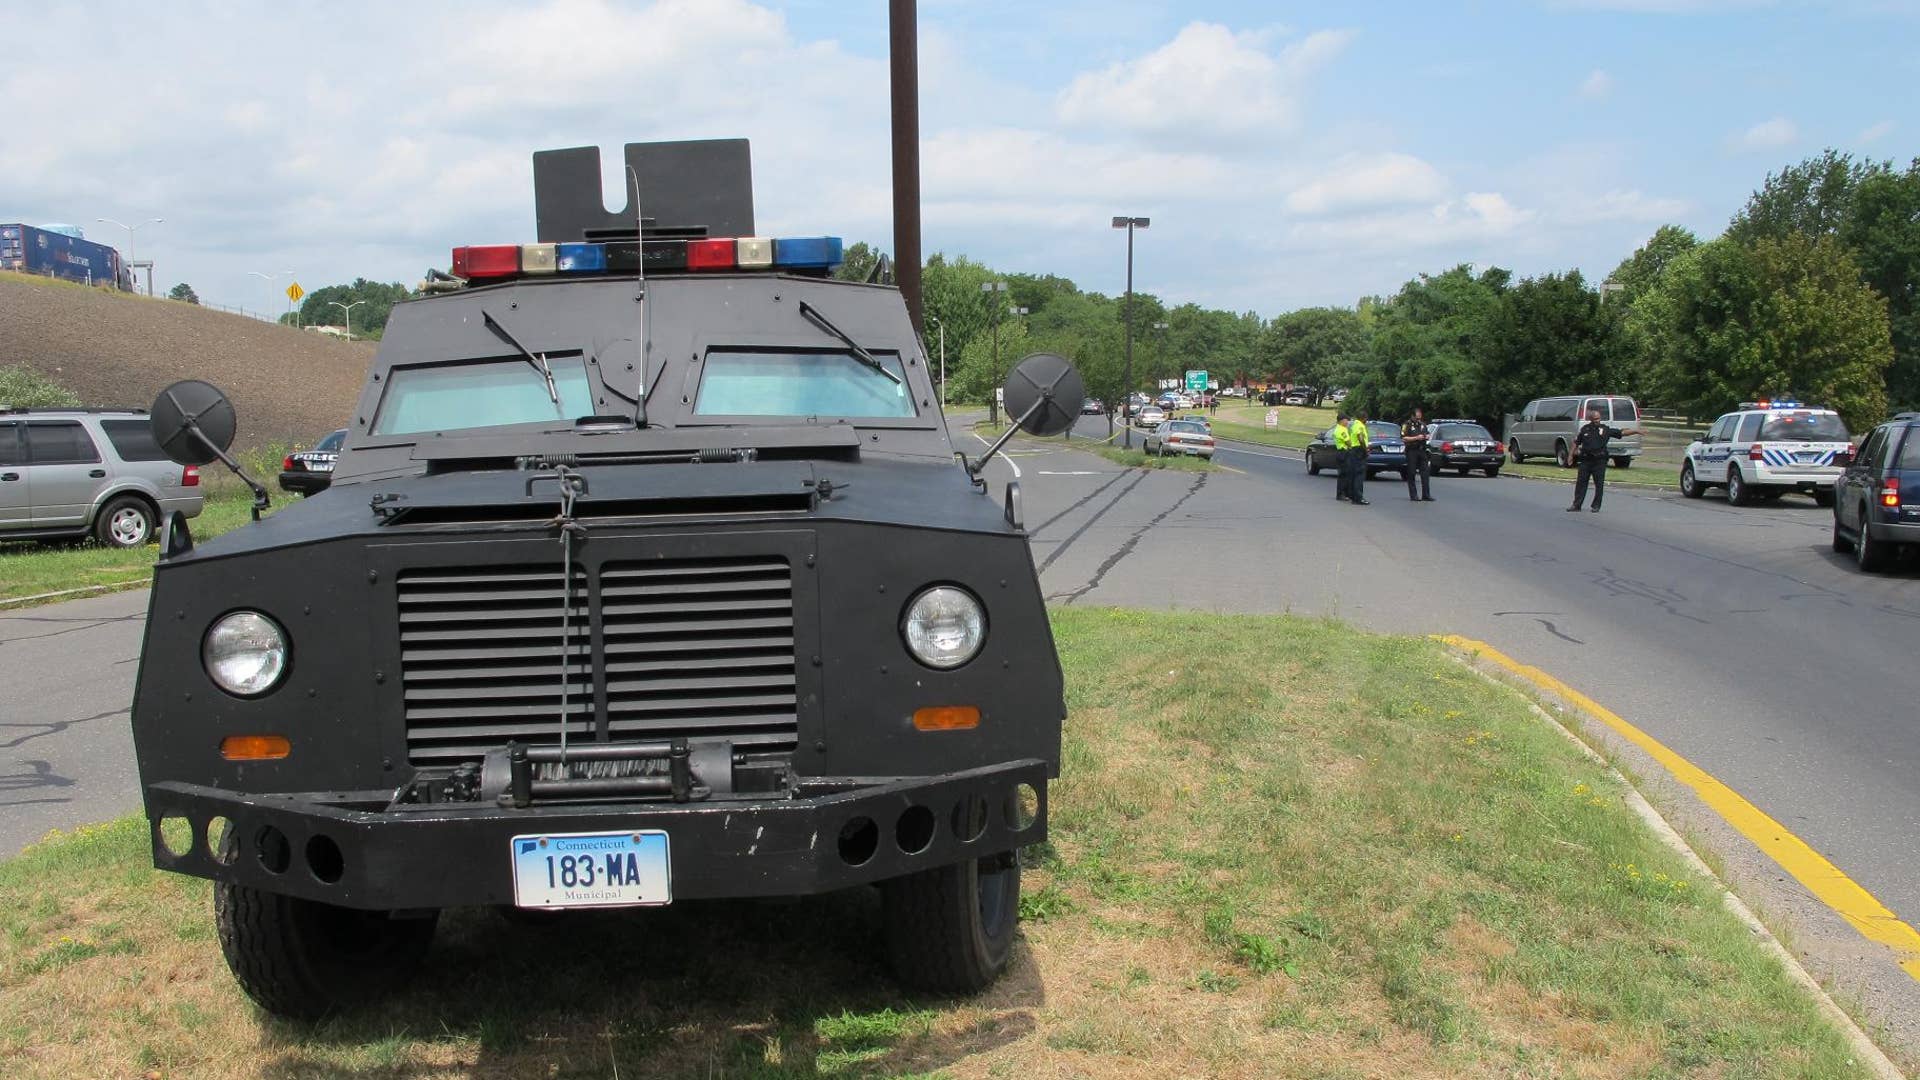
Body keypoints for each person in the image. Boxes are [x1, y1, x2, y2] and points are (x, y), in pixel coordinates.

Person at [1567, 407, 1644, 512]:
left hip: (1599, 461)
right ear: (1590, 419)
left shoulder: (1605, 429)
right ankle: (1576, 505)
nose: (1597, 421)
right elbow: (1576, 442)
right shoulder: (1585, 429)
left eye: (1598, 418)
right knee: (1581, 483)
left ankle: (1596, 506)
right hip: (1585, 460)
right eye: (1594, 419)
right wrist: (1570, 455)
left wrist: (1636, 431)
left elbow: (1622, 432)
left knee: (1599, 484)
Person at [1402, 407, 1433, 502]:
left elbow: (1427, 434)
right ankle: (1413, 495)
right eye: (1417, 417)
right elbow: (1404, 438)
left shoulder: (1423, 425)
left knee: (1425, 473)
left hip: (1422, 450)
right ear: (1412, 416)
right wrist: (1416, 438)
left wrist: (1427, 436)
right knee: (1411, 473)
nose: (1419, 419)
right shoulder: (1406, 424)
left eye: (1420, 417)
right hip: (1412, 451)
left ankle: (1426, 495)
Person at [1346, 412, 1372, 505]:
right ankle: (1358, 497)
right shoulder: (1359, 426)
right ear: (1363, 418)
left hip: (1354, 450)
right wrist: (1365, 450)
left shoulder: (1355, 424)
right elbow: (1360, 438)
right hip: (1359, 450)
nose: (1367, 421)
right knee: (1359, 475)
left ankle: (1353, 496)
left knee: (1354, 474)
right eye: (1366, 419)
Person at [1332, 411, 1353, 500]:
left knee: (1346, 474)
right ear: (1341, 421)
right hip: (1343, 452)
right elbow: (1348, 442)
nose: (1347, 422)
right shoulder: (1341, 430)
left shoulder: (1340, 428)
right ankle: (1341, 494)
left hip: (1342, 452)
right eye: (1346, 420)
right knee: (1343, 474)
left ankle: (1345, 493)